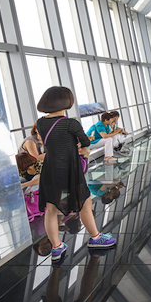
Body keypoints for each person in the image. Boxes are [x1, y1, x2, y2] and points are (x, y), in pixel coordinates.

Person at [36, 86, 117, 262]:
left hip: (50, 171)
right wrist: (84, 151)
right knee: (85, 203)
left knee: (51, 209)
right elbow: (85, 141)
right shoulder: (70, 123)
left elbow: (52, 143)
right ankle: (96, 238)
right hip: (68, 171)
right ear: (66, 102)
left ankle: (56, 248)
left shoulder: (41, 123)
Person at [18, 122, 44, 189]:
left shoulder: (39, 165)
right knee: (20, 180)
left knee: (37, 178)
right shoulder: (30, 141)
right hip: (23, 163)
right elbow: (37, 157)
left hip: (37, 180)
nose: (38, 136)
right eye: (37, 133)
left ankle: (32, 197)